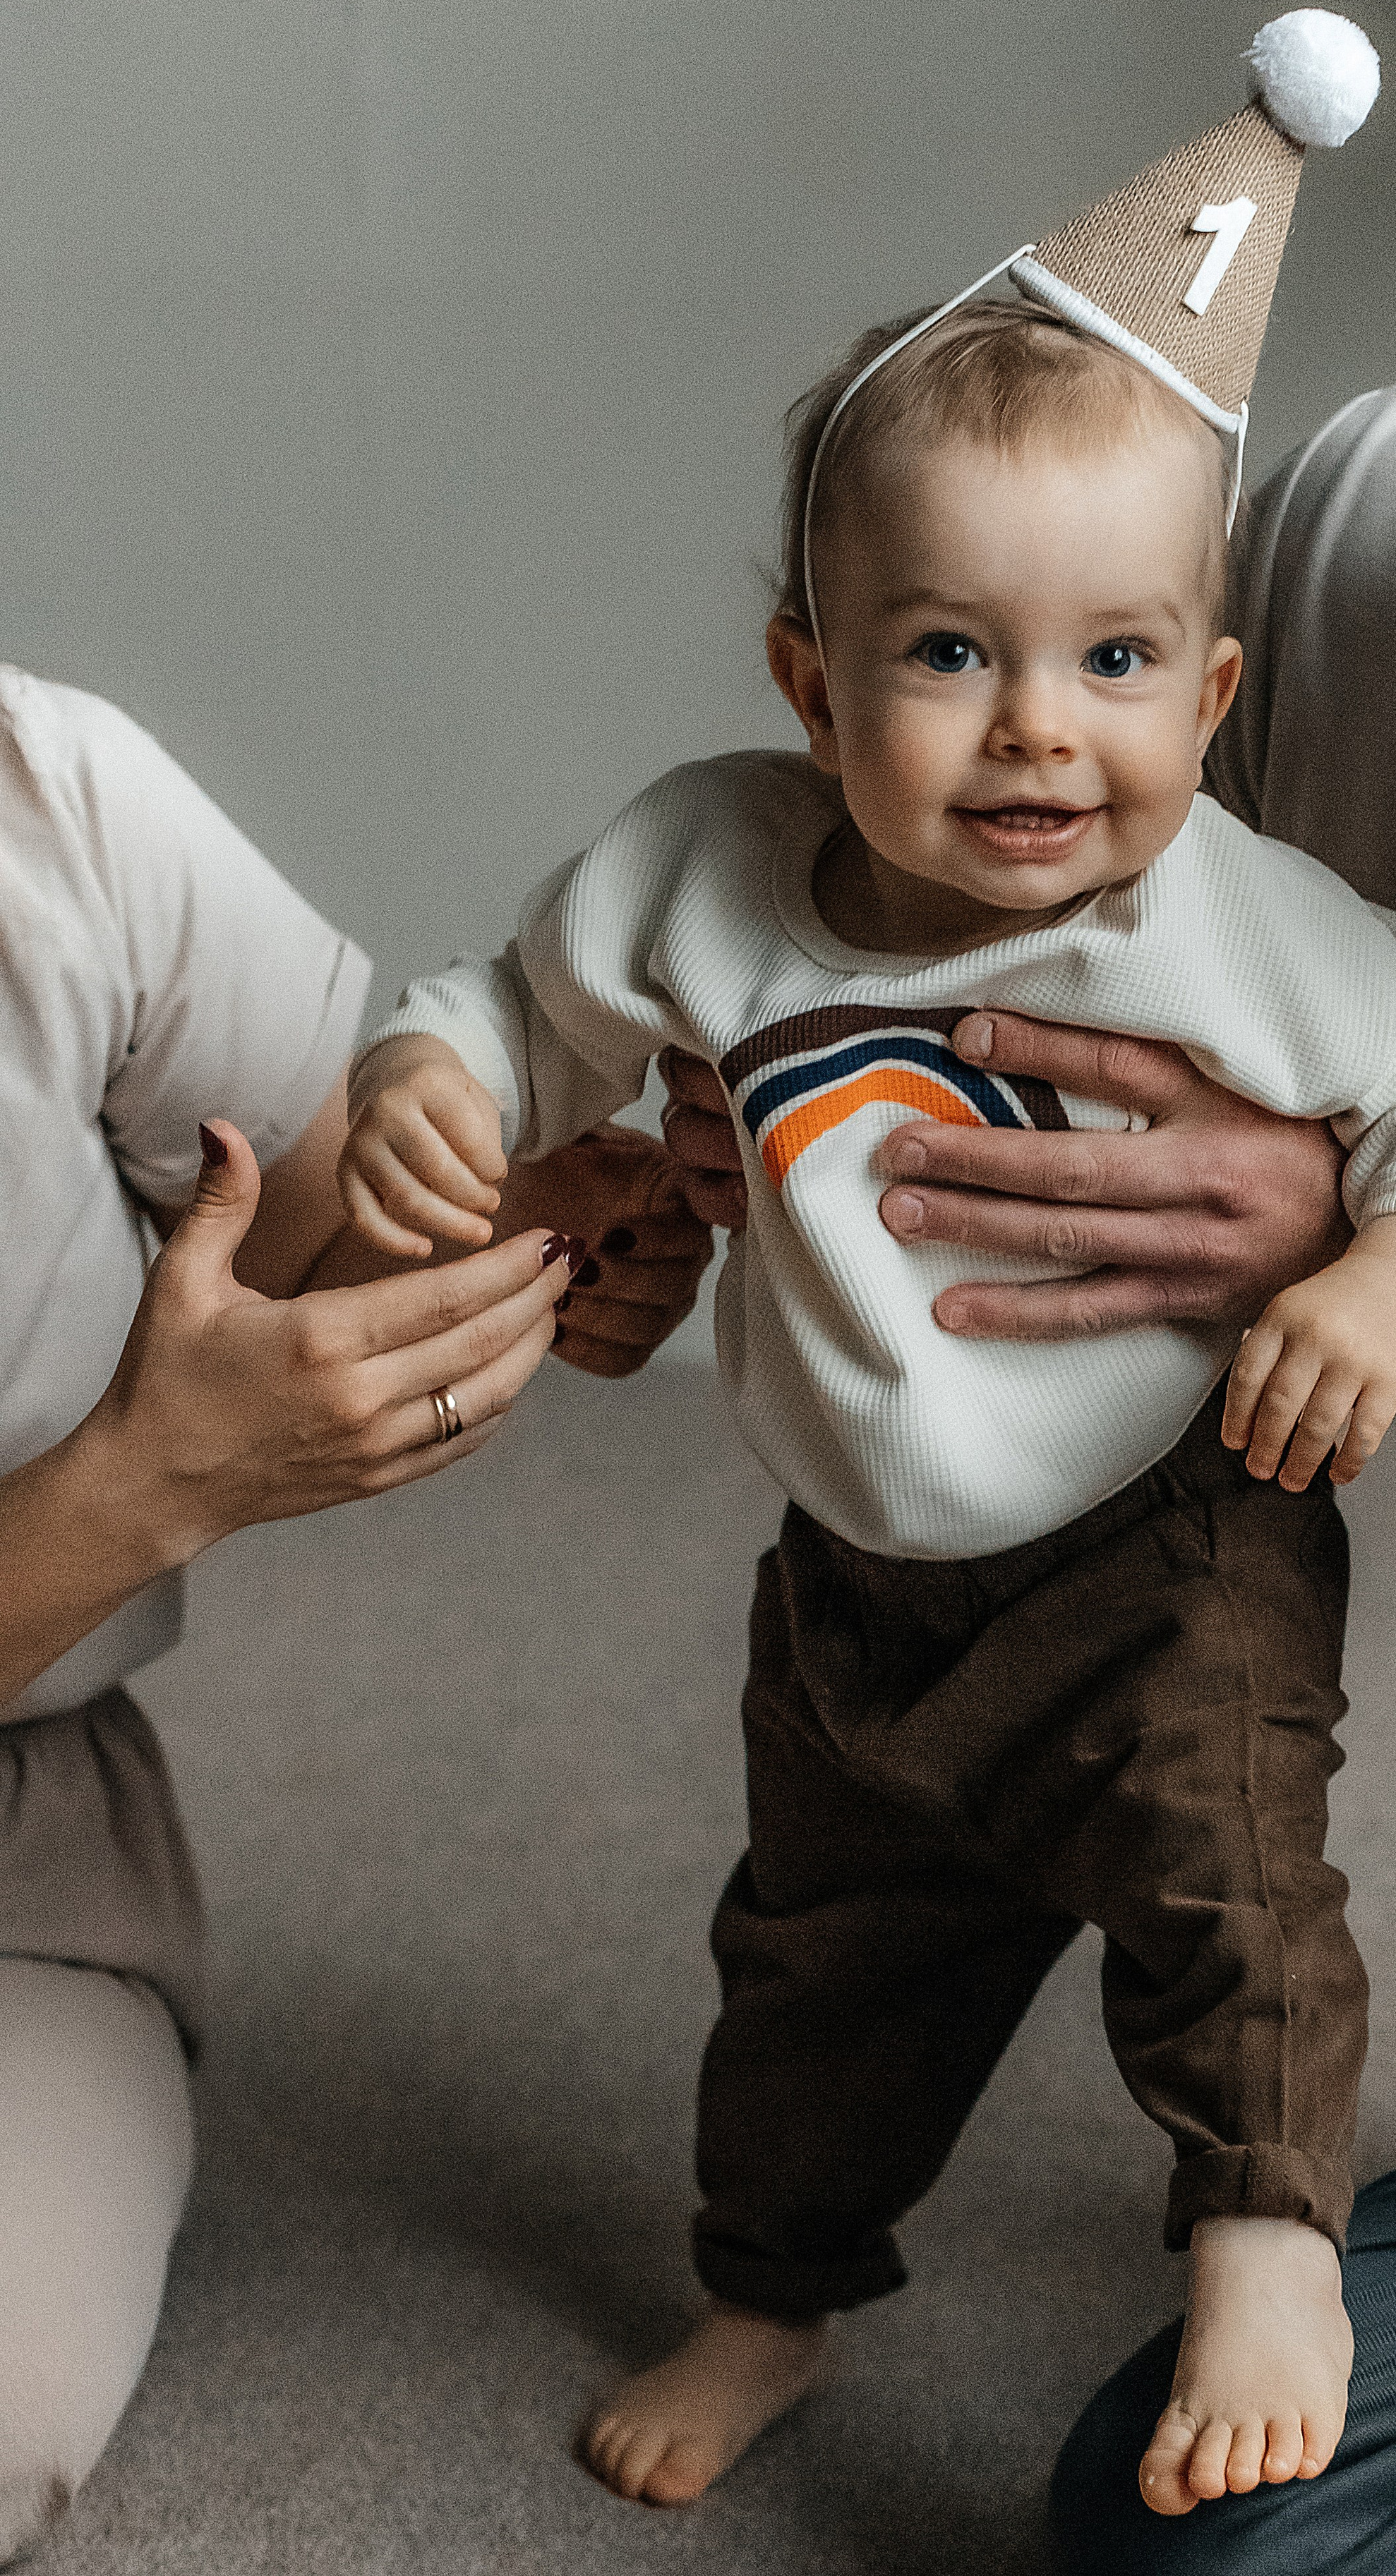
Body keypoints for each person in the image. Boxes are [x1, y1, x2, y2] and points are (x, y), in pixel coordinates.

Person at [338, 18, 1396, 2517]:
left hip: (1169, 1536)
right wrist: (427, 1088)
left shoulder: (1233, 922)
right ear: (811, 682)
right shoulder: (699, 874)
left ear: (1213, 692)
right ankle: (772, 2295)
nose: (1038, 735)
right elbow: (511, 1014)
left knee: (1228, 1886)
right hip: (857, 1579)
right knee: (816, 1969)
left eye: (1119, 661)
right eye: (946, 653)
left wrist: (1392, 1282)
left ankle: (1266, 2237)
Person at [666, 31, 1396, 2571]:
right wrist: (740, 1121)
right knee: (1220, 2526)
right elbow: (1042, 937)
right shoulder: (1383, 528)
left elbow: (1367, 1156)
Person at [0, 663, 711, 2564]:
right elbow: (164, 1458)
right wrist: (136, 1491)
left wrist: (522, 1235)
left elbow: (306, 1232)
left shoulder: (49, 807)